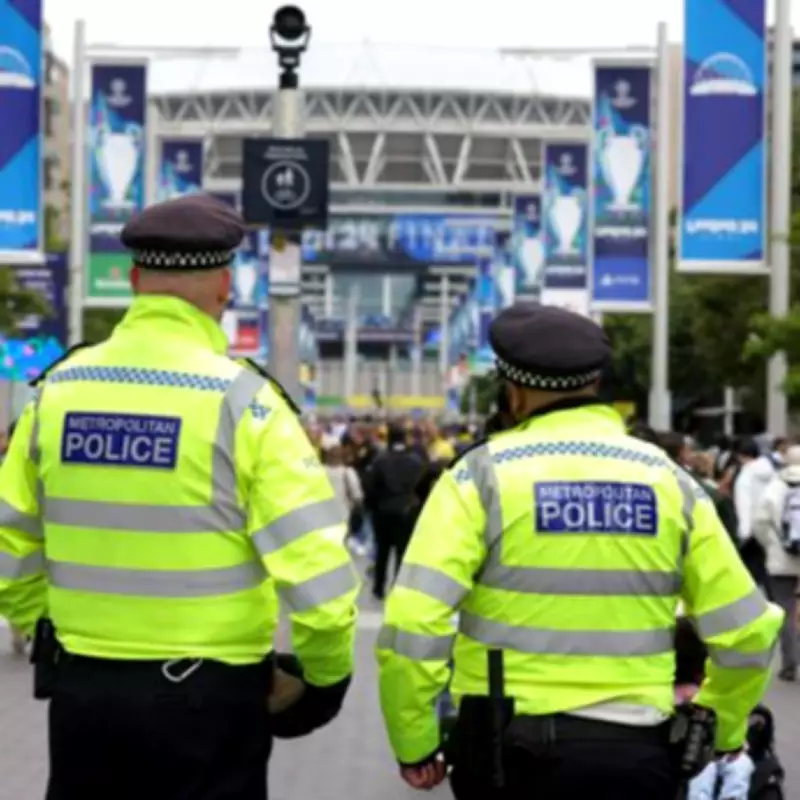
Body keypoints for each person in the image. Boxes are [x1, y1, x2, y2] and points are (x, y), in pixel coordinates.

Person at [0, 194, 359, 800]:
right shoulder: (248, 405)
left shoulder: (55, 393)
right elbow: (318, 574)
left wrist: (44, 628)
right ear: (224, 287)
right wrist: (323, 680)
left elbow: (12, 540)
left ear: (135, 280)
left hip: (84, 692)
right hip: (208, 701)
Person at [375, 303, 783, 800]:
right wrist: (718, 725)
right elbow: (748, 628)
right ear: (594, 383)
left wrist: (415, 741)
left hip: (507, 754)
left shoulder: (478, 477)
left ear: (515, 389)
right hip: (636, 753)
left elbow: (415, 622)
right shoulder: (670, 480)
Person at [753, 444, 800, 682]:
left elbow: (760, 523)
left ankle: (790, 663)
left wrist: (773, 545)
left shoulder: (775, 488)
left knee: (786, 610)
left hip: (782, 561)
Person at [365, 422, 427, 599]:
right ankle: (399, 587)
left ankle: (378, 587)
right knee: (403, 552)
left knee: (382, 551)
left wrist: (372, 507)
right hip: (406, 512)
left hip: (383, 511)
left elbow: (370, 487)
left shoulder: (380, 460)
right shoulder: (415, 462)